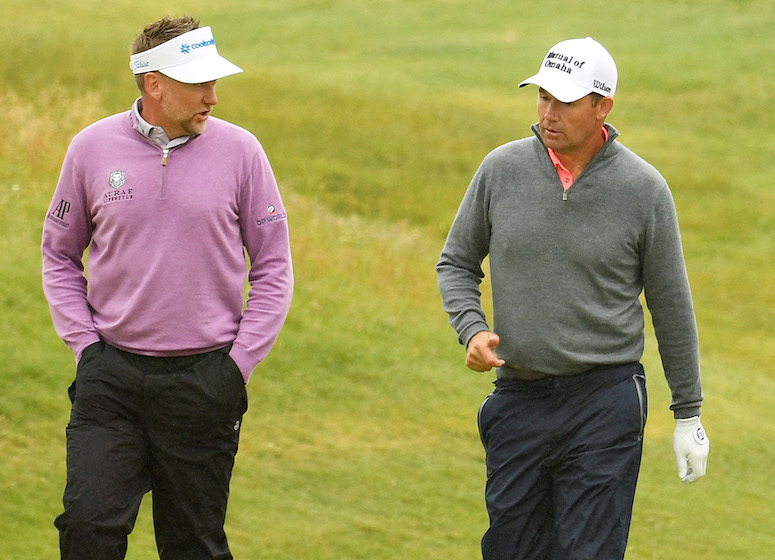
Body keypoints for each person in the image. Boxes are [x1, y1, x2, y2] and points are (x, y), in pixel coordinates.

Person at [436, 37, 709, 560]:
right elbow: (456, 262)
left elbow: (671, 307)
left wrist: (688, 413)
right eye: (542, 97)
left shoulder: (644, 189)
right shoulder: (501, 169)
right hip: (520, 397)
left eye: (564, 101)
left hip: (605, 399)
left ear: (602, 106)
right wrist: (471, 328)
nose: (548, 113)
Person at [41, 15, 293, 560]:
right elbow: (59, 254)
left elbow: (273, 267)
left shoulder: (242, 152)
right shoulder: (90, 149)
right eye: (199, 82)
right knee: (87, 531)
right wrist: (85, 348)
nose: (214, 97)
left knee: (193, 546)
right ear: (154, 82)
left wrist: (237, 366)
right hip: (113, 380)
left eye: (214, 82)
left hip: (204, 381)